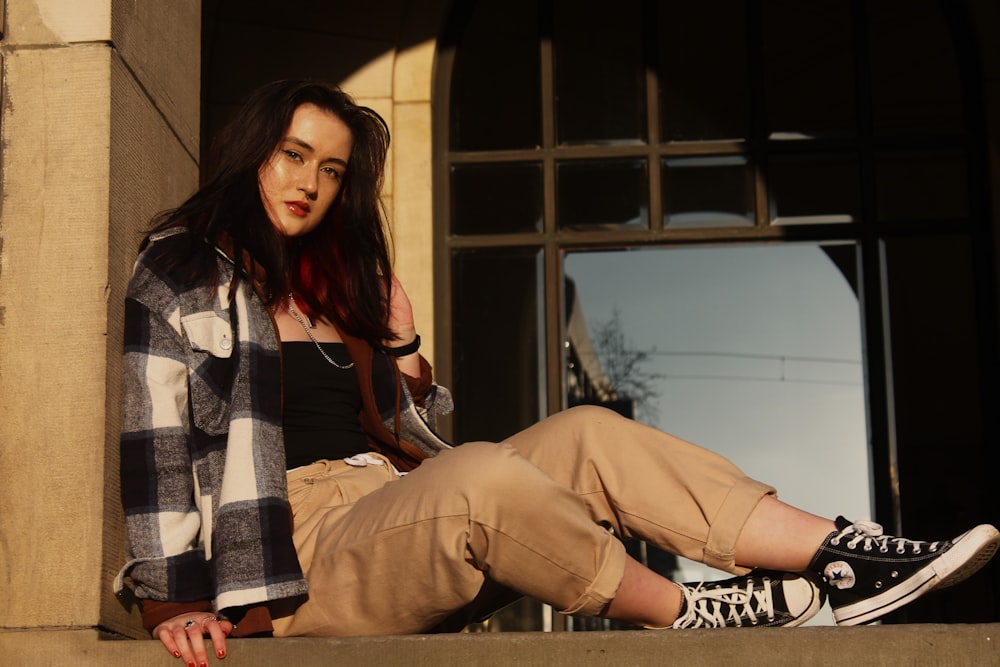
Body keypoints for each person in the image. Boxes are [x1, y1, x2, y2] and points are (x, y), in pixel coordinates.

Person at [115, 80, 1000, 666]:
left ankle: (849, 558)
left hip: (386, 502)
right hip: (289, 554)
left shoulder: (336, 288)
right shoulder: (184, 269)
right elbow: (155, 441)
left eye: (332, 169)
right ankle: (683, 610)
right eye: (292, 154)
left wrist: (402, 350)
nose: (309, 182)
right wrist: (171, 606)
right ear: (254, 151)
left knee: (589, 432)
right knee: (484, 476)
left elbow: (403, 431)